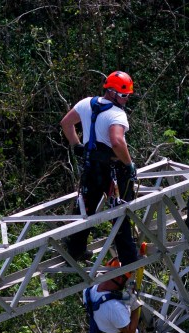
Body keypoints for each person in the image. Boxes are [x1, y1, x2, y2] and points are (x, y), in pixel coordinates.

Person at [60, 70, 139, 265]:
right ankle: (129, 258)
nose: (126, 99)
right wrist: (129, 164)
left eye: (127, 95)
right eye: (123, 95)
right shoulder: (117, 115)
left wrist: (77, 146)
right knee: (120, 211)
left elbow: (66, 123)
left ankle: (75, 250)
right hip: (113, 171)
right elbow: (117, 142)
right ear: (111, 92)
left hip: (91, 168)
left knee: (86, 209)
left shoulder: (86, 103)